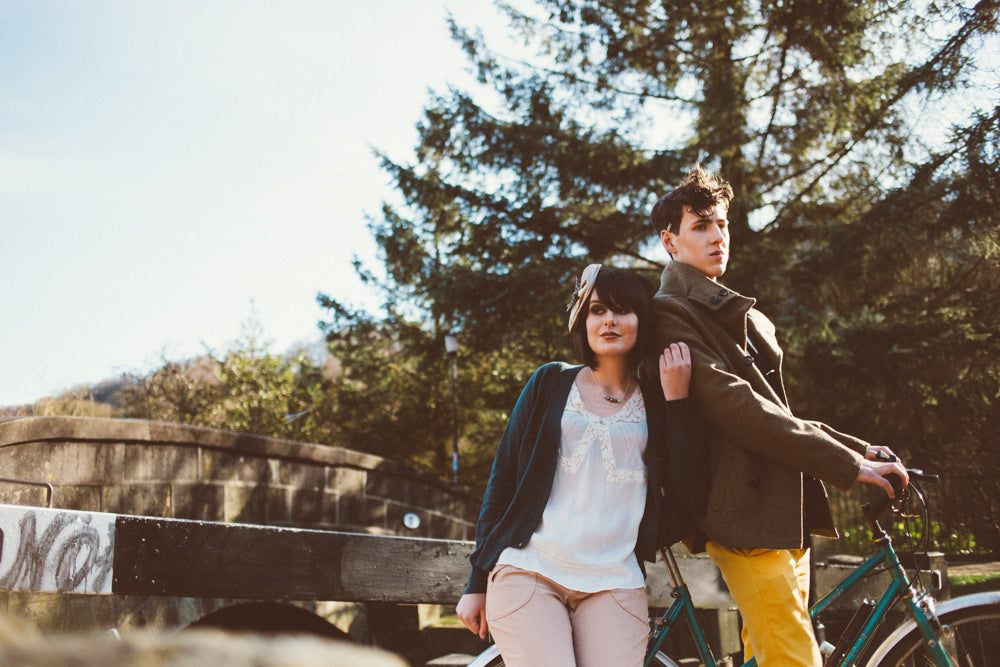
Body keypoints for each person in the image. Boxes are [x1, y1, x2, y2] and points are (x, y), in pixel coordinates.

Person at [649, 166, 909, 666]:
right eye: (701, 226)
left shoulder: (738, 313)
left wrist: (858, 450)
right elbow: (741, 411)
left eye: (722, 224)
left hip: (781, 509)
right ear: (670, 241)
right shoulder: (671, 313)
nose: (718, 236)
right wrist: (848, 466)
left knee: (768, 654)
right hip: (742, 519)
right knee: (795, 658)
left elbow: (779, 411)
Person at [455, 264, 697, 667]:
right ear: (582, 320)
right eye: (597, 310)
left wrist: (679, 403)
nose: (610, 320)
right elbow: (504, 481)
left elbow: (689, 488)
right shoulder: (550, 383)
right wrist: (476, 583)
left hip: (615, 583)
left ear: (642, 321)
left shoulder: (656, 401)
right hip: (529, 571)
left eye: (623, 310)